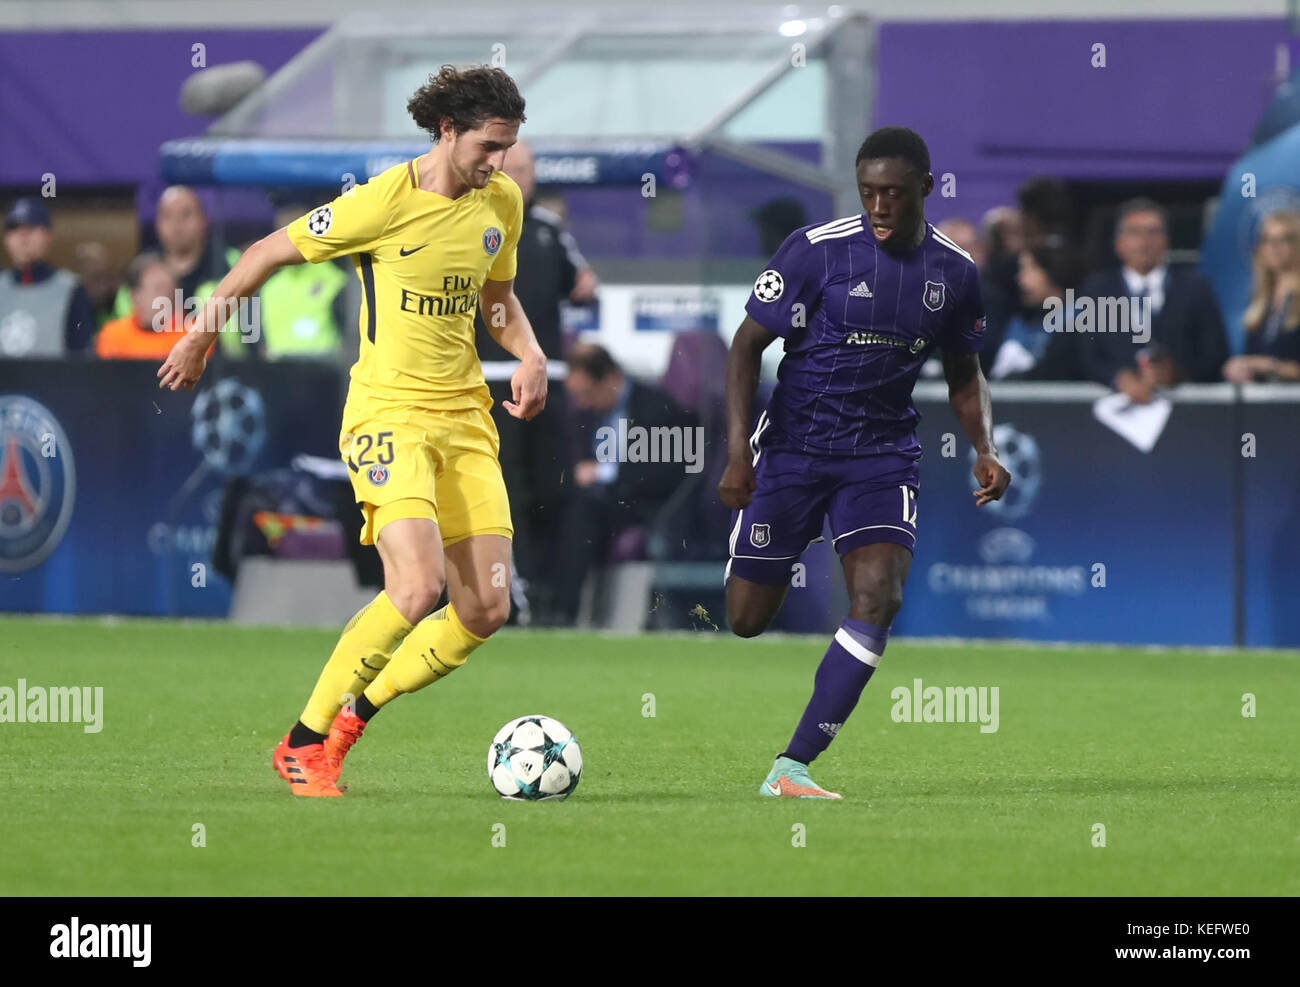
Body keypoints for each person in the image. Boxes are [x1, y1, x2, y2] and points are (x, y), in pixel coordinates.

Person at [158, 65, 544, 798]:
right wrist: (200, 336)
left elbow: (498, 299)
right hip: (387, 414)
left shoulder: (503, 202)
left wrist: (528, 351)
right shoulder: (380, 202)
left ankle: (349, 721)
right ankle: (303, 740)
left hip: (465, 419)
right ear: (448, 130)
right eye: (489, 145)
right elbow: (264, 254)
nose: (498, 161)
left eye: (508, 148)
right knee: (416, 584)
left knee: (486, 608)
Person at [718, 126, 1011, 799]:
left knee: (879, 596)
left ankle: (792, 766)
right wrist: (739, 453)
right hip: (793, 447)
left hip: (881, 457)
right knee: (745, 617)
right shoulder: (816, 253)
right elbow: (745, 345)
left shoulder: (955, 272)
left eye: (894, 194)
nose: (879, 206)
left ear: (925, 191)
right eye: (868, 192)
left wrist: (984, 447)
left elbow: (964, 373)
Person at [473, 139, 598, 620]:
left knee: (557, 488)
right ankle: (513, 589)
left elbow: (583, 284)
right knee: (506, 489)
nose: (521, 177)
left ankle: (549, 594)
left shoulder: (548, 229)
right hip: (489, 379)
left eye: (527, 168)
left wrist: (586, 287)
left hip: (547, 377)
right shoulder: (470, 222)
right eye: (513, 167)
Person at [549, 342, 698, 626]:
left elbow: (664, 474)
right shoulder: (585, 414)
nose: (581, 402)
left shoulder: (655, 407)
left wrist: (605, 473)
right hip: (598, 500)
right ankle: (540, 600)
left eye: (586, 393)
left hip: (640, 504)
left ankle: (563, 613)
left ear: (611, 379)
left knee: (581, 512)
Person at [1078, 198, 1228, 402]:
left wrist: (1178, 374)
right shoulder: (1097, 290)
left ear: (1166, 241)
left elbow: (1216, 353)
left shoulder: (1195, 288)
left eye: (1153, 232)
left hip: (1184, 413)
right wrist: (1119, 378)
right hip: (1114, 416)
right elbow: (1085, 355)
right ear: (1119, 244)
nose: (1144, 241)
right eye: (1134, 232)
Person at [0, 197, 96, 358]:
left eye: (31, 227)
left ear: (48, 236)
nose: (23, 236)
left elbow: (81, 359)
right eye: (14, 228)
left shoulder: (71, 290)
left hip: (52, 382)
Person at [1223, 210, 1300, 382]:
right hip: (1263, 404)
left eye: (1283, 239)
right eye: (1267, 240)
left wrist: (1267, 365)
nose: (1274, 247)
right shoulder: (1261, 301)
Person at [95, 252, 189, 359]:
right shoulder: (113, 336)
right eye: (158, 288)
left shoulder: (193, 336)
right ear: (135, 296)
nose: (167, 295)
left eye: (171, 288)